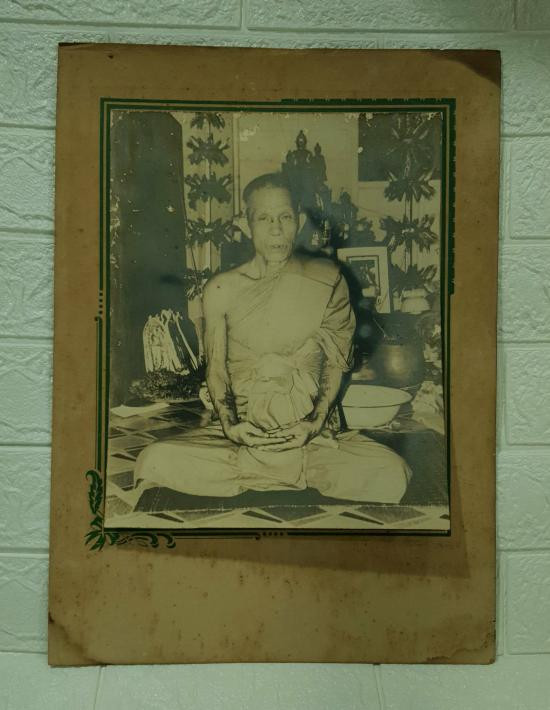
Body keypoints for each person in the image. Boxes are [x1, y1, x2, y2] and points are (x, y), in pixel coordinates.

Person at [124, 173, 410, 507]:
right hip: (242, 438)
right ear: (245, 225)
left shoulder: (328, 278)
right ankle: (284, 474)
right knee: (153, 460)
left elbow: (336, 363)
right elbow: (216, 370)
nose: (276, 229)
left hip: (309, 439)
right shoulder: (221, 289)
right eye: (264, 218)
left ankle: (262, 475)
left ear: (298, 221)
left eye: (285, 217)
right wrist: (230, 427)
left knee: (393, 472)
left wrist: (314, 423)